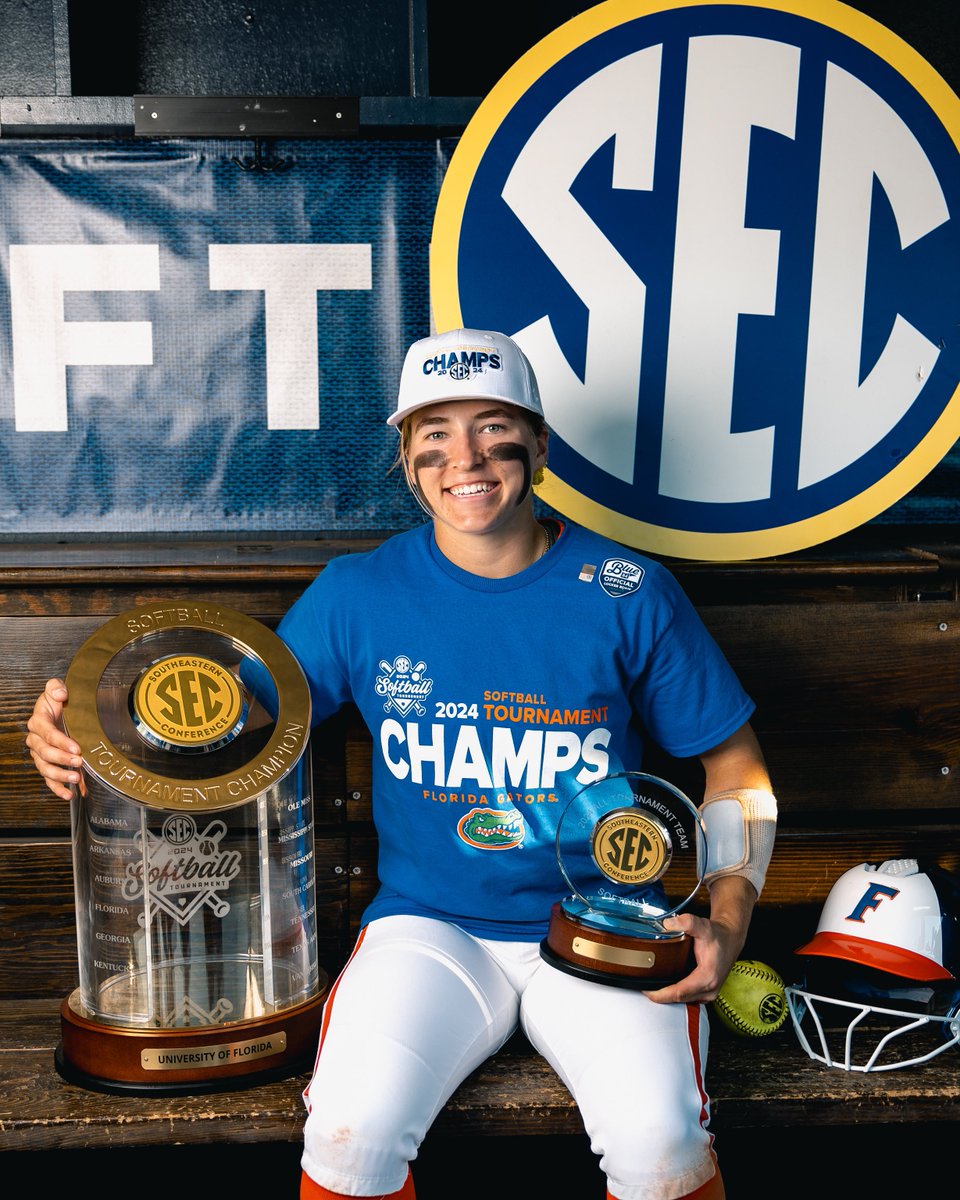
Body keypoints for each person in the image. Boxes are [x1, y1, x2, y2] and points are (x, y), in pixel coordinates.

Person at [26, 327, 776, 1200]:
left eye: (494, 428)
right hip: (432, 927)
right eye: (435, 435)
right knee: (351, 1134)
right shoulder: (358, 594)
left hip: (601, 929)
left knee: (661, 1145)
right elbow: (212, 726)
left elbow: (735, 767)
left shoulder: (626, 589)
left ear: (539, 443)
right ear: (408, 460)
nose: (467, 457)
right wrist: (85, 729)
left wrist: (730, 922)